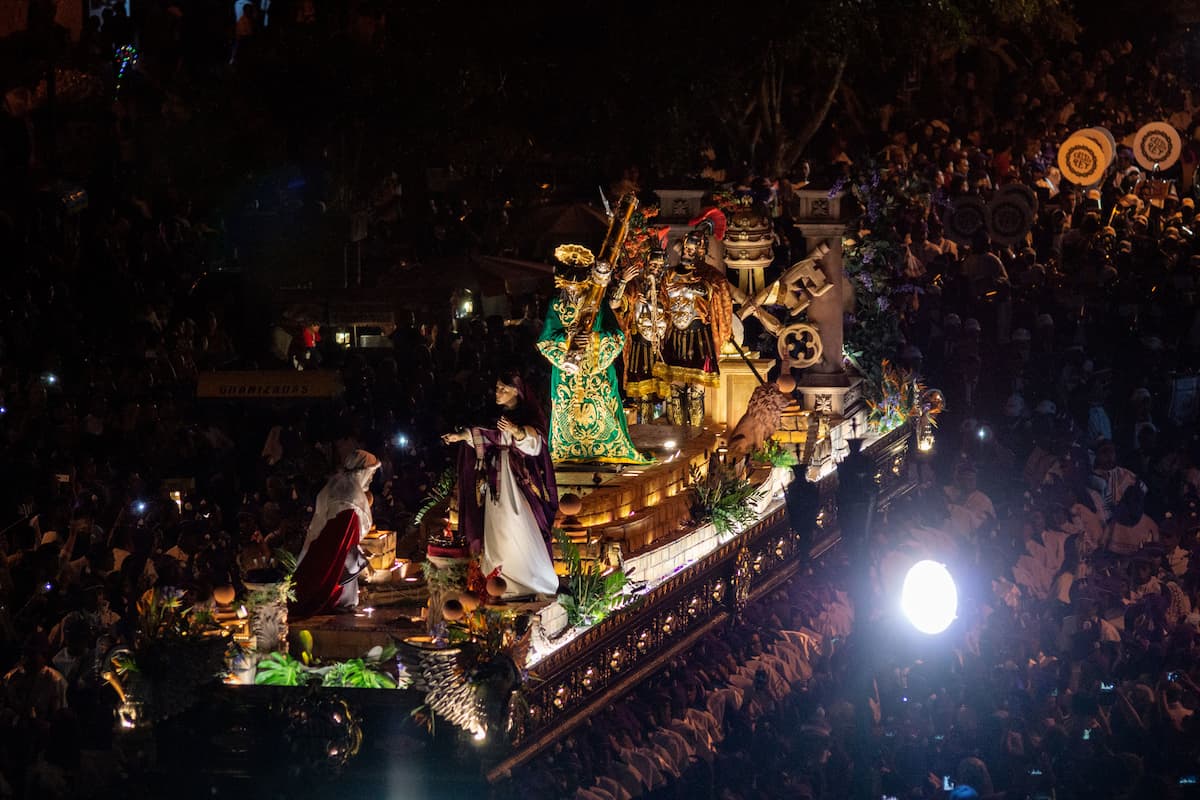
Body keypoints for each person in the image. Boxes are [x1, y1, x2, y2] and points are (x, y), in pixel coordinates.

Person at [442, 371, 559, 597]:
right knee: (497, 528)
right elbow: (486, 436)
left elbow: (536, 443)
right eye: (496, 388)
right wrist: (460, 437)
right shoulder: (494, 416)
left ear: (517, 391)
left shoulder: (528, 416)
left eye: (503, 389)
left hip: (519, 483)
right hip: (495, 482)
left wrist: (517, 432)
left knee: (520, 525)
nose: (498, 393)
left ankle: (530, 579)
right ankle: (498, 579)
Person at [537, 244, 648, 464]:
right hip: (567, 372)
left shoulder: (598, 304)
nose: (573, 291)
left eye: (578, 287)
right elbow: (546, 340)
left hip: (596, 368)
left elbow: (616, 335)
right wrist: (569, 338)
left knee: (603, 407)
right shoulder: (556, 306)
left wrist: (594, 339)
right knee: (566, 410)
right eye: (569, 287)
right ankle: (567, 449)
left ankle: (606, 447)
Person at [656, 209, 733, 427]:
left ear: (701, 250)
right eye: (687, 247)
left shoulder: (710, 275)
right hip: (675, 334)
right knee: (675, 389)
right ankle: (677, 433)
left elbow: (720, 295)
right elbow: (661, 300)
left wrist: (700, 288)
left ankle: (695, 435)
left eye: (694, 247)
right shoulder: (669, 274)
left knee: (695, 392)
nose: (689, 251)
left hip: (698, 335)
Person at [289, 450, 380, 618]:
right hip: (333, 551)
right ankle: (337, 601)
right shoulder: (349, 496)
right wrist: (358, 557)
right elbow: (340, 537)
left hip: (334, 548)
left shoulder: (339, 486)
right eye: (371, 472)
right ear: (362, 471)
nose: (372, 477)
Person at [611, 242, 670, 423]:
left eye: (660, 266)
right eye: (653, 265)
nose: (656, 270)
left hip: (662, 347)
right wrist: (624, 282)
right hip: (639, 345)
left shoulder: (666, 289)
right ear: (646, 265)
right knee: (643, 395)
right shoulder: (634, 289)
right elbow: (614, 304)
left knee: (670, 394)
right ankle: (645, 431)